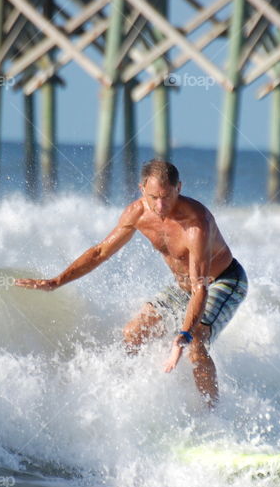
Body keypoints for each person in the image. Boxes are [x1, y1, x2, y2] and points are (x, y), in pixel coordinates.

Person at [14, 159, 248, 408]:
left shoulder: (196, 224)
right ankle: (127, 403)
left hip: (222, 280)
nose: (160, 205)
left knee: (196, 341)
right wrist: (56, 281)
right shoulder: (137, 213)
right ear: (141, 189)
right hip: (183, 287)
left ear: (179, 188)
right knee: (133, 333)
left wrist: (184, 333)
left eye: (167, 197)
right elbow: (100, 252)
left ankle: (213, 417)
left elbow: (200, 287)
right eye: (153, 197)